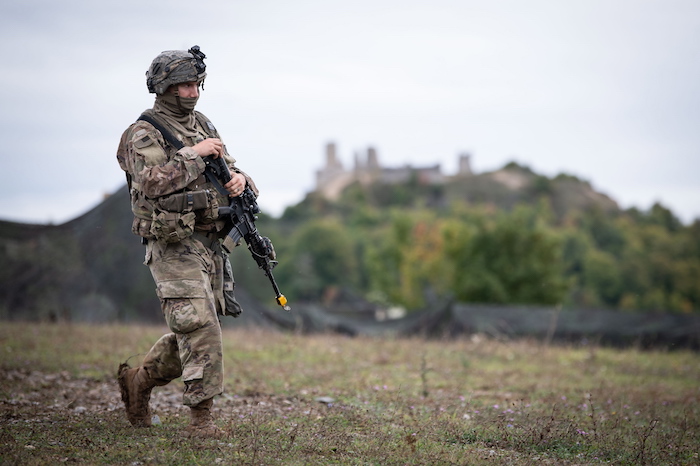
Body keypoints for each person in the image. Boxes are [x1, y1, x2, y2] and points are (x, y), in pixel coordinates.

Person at [115, 45, 255, 438]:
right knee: (200, 326)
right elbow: (152, 183)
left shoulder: (202, 124)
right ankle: (201, 421)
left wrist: (241, 179)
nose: (192, 92)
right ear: (164, 87)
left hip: (209, 244)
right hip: (171, 244)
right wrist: (194, 154)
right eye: (184, 86)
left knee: (192, 329)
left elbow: (228, 166)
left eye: (196, 84)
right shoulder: (142, 132)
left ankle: (138, 382)